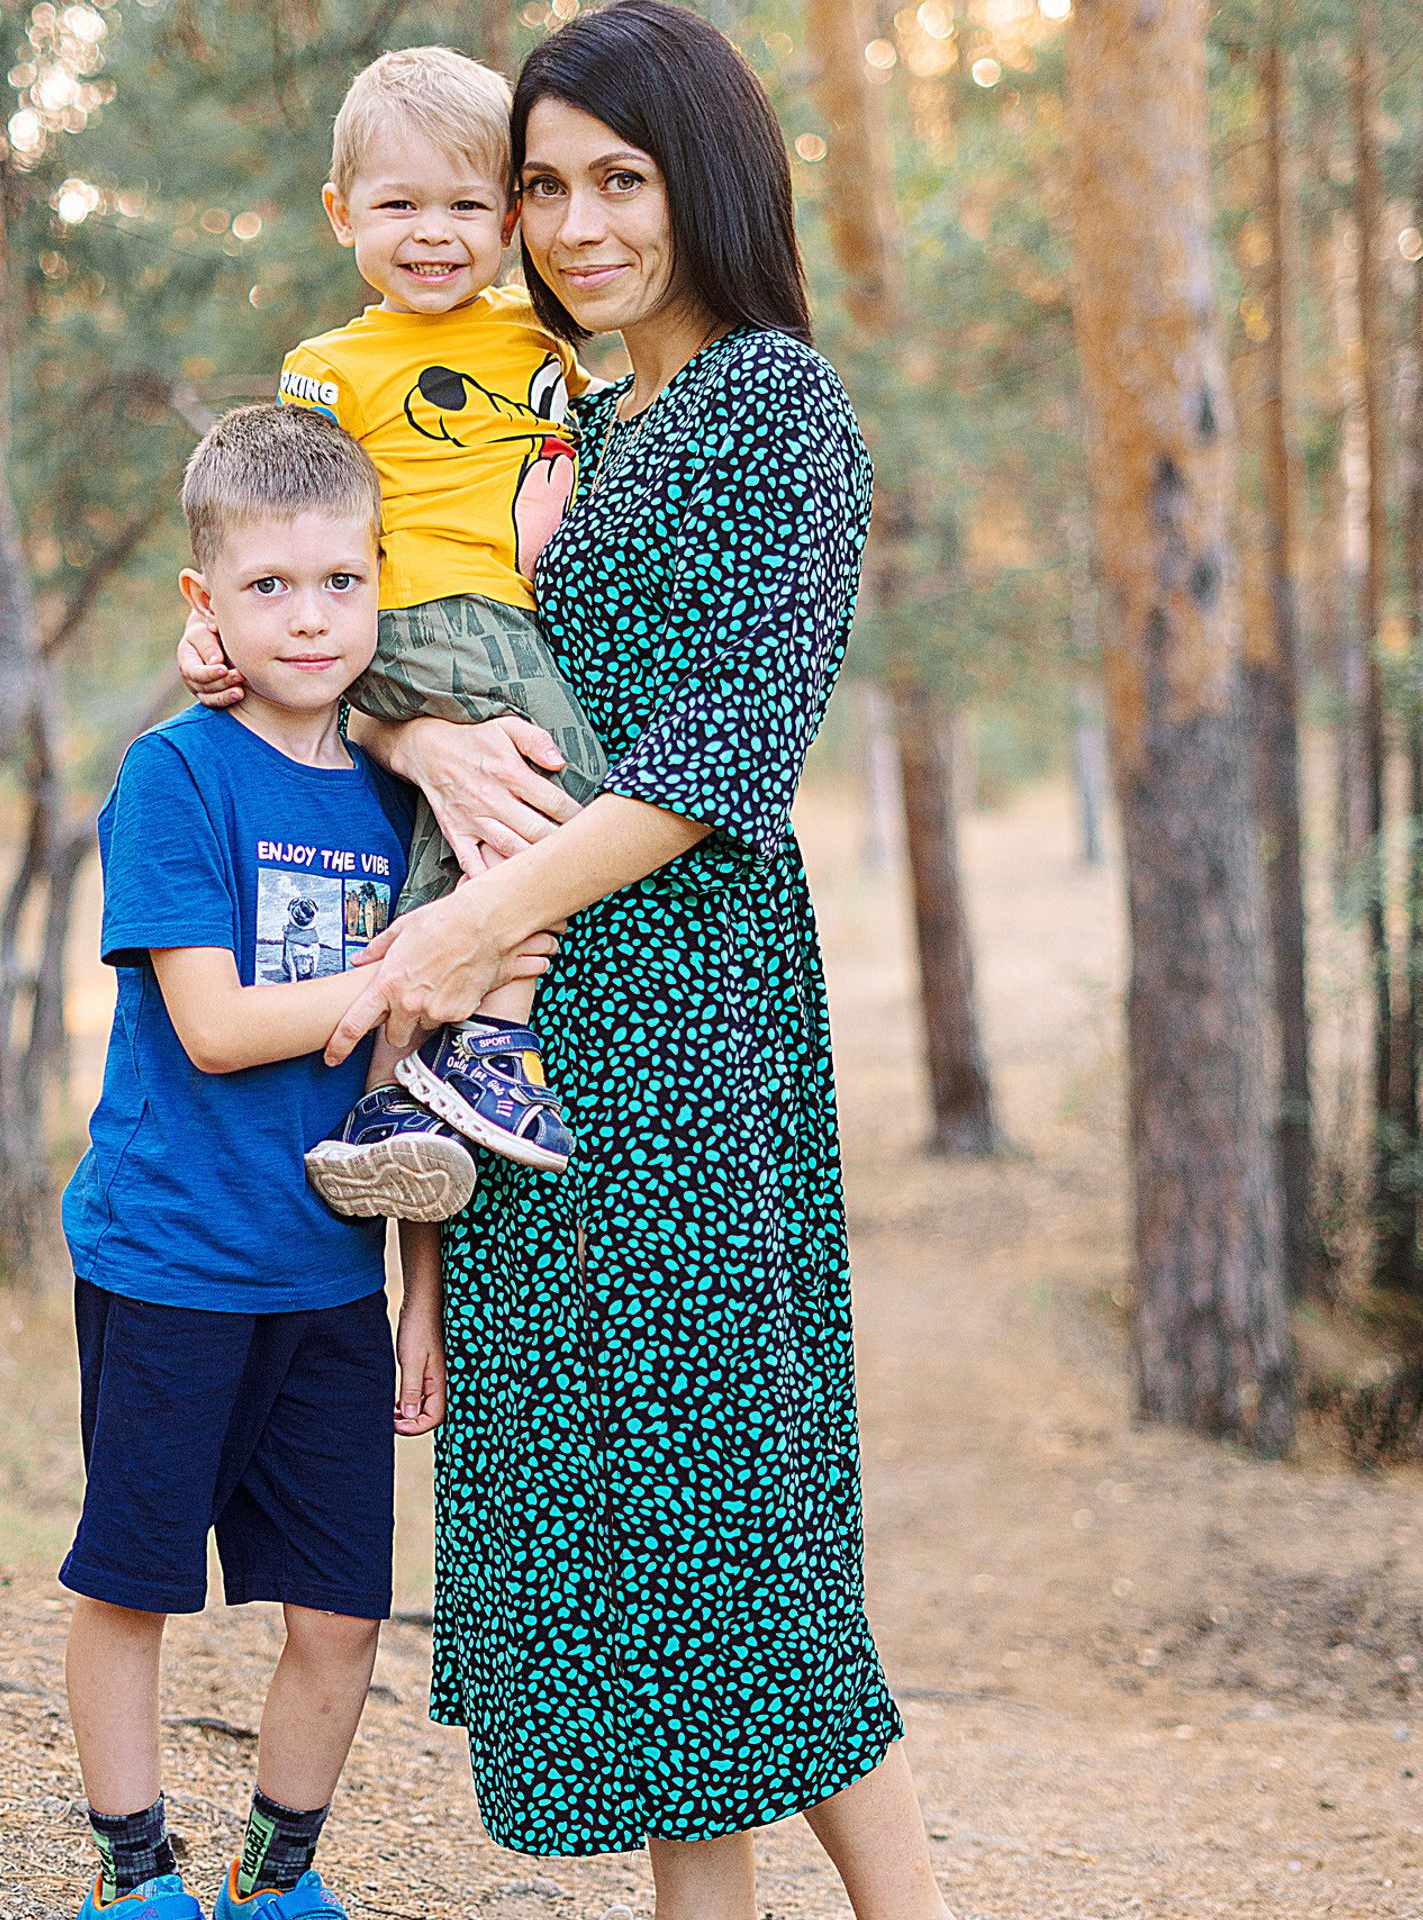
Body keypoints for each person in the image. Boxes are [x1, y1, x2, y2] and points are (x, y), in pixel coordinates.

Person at [183, 5, 956, 1916]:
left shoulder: (775, 403)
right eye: (547, 184)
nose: (579, 222)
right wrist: (407, 737)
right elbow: (400, 646)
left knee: (736, 1530)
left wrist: (466, 920)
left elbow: (722, 755)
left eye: (623, 177)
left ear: (711, 176)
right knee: (642, 1557)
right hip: (512, 1055)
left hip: (681, 1024)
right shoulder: (569, 414)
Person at [58, 404, 553, 1920]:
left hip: (332, 1277)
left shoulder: (406, 800)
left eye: (342, 581)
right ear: (205, 605)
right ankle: (136, 1876)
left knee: (341, 1611)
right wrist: (408, 979)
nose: (313, 615)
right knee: (132, 1584)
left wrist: (419, 1293)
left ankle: (281, 1879)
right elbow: (210, 1027)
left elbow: (416, 1094)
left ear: (382, 581)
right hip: (176, 1254)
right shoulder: (179, 776)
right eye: (269, 586)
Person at [250, 45, 611, 1214]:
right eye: (398, 204)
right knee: (574, 799)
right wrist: (224, 630)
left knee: (460, 835)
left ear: (510, 215)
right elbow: (283, 515)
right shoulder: (328, 368)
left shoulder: (537, 345)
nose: (434, 233)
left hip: (501, 612)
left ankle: (396, 1092)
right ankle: (489, 1044)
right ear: (339, 212)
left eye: (467, 204)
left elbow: (550, 473)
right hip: (416, 614)